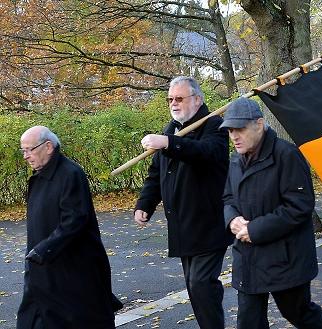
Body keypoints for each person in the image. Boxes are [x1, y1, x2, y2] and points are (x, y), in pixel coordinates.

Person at [220, 98, 322, 329]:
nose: (234, 136)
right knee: (248, 322)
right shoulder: (235, 160)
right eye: (231, 130)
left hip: (285, 258)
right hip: (248, 258)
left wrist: (253, 230)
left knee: (299, 314)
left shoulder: (287, 155)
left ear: (260, 124)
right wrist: (232, 218)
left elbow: (299, 205)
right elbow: (227, 198)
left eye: (240, 129)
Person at [134, 76, 231, 329]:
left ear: (197, 99)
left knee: (201, 284)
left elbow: (206, 153)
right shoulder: (171, 129)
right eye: (170, 99)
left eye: (179, 98)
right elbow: (157, 174)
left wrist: (169, 143)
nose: (173, 104)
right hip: (182, 225)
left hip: (209, 223)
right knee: (195, 287)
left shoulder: (215, 125)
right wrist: (145, 204)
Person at [17, 126, 122, 328]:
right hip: (44, 269)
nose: (25, 156)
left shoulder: (70, 174)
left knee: (79, 319)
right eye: (23, 151)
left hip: (71, 269)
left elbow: (75, 219)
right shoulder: (41, 176)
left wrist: (43, 249)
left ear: (48, 147)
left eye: (29, 150)